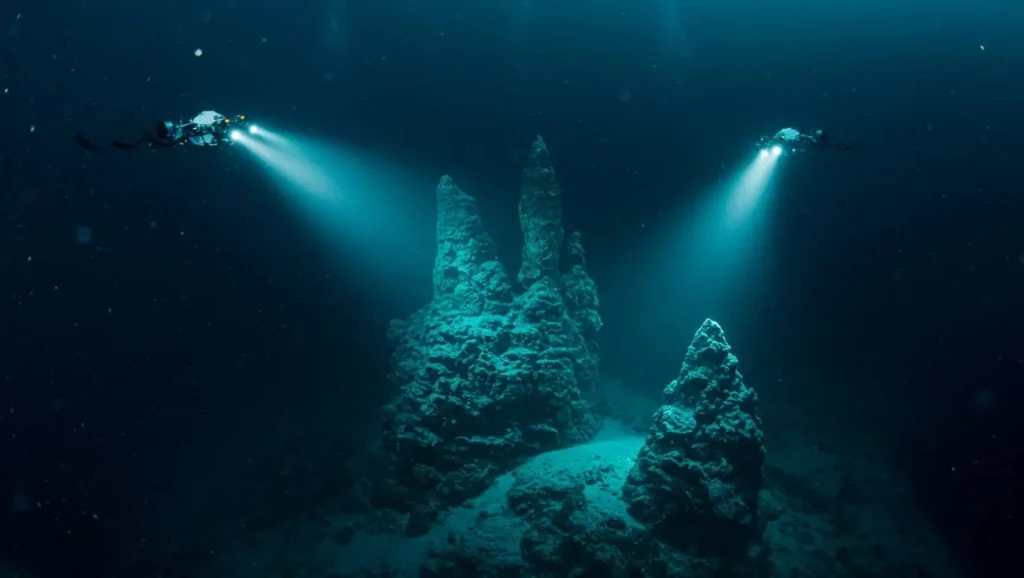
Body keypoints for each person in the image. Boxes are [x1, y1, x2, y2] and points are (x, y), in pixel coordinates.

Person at [75, 111, 254, 152]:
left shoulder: (199, 131)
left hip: (154, 141)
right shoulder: (192, 130)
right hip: (153, 141)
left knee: (140, 141)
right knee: (140, 141)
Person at [757, 127, 858, 156]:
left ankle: (848, 145)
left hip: (808, 141)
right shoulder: (785, 137)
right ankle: (847, 146)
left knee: (830, 145)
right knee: (830, 146)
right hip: (808, 143)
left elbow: (799, 137)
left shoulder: (786, 133)